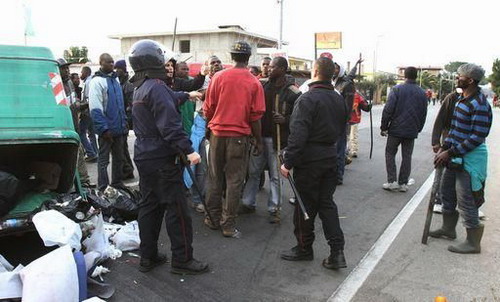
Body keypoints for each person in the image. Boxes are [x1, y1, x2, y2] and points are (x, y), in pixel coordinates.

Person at [128, 39, 208, 274]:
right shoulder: (157, 87)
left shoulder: (142, 87)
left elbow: (167, 101)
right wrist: (190, 151)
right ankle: (182, 259)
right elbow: (170, 127)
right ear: (154, 61)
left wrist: (187, 94)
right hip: (163, 158)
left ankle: (148, 256)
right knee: (178, 211)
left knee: (149, 207)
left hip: (145, 157)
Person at [279, 57, 348, 270]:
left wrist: (288, 162)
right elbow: (341, 129)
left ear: (315, 71)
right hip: (329, 156)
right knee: (326, 204)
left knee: (304, 205)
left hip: (310, 159)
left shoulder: (308, 98)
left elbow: (298, 134)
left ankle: (303, 247)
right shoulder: (338, 99)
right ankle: (337, 251)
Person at [203, 41, 265, 238]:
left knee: (214, 177)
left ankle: (212, 218)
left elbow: (208, 108)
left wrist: (210, 128)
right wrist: (258, 140)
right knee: (234, 181)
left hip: (217, 135)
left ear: (231, 57)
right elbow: (255, 117)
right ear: (248, 58)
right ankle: (228, 225)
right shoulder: (254, 81)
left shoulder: (218, 77)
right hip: (239, 138)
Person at [432, 64, 492, 254]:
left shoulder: (479, 104)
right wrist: (445, 146)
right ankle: (448, 229)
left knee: (466, 199)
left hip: (470, 158)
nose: (457, 78)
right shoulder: (461, 100)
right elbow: (456, 130)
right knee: (446, 192)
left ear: (470, 80)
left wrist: (450, 152)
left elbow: (477, 137)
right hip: (455, 154)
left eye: (460, 76)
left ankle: (473, 242)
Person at [240, 56, 301, 223]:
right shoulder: (262, 85)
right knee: (253, 172)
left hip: (278, 140)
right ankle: (247, 203)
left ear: (282, 69)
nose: (268, 69)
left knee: (275, 176)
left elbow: (300, 118)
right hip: (259, 137)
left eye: (272, 67)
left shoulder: (294, 92)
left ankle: (274, 208)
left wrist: (285, 119)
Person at [380, 66, 427, 192]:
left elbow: (388, 110)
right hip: (411, 130)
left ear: (404, 75)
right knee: (407, 156)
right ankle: (403, 183)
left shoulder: (397, 89)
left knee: (390, 153)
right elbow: (423, 113)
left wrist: (384, 127)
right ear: (416, 76)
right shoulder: (422, 93)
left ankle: (392, 181)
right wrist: (418, 128)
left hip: (395, 129)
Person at [88, 53, 128, 191]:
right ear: (101, 63)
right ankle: (103, 186)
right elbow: (95, 108)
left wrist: (124, 125)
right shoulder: (97, 82)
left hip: (119, 129)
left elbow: (120, 105)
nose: (112, 65)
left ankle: (117, 183)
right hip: (107, 131)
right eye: (109, 62)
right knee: (103, 160)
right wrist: (104, 129)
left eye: (113, 62)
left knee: (119, 158)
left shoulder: (115, 80)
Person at [57, 58, 92, 187]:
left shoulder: (70, 84)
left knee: (79, 154)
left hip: (74, 126)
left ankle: (84, 182)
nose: (67, 71)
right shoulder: (56, 86)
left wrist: (85, 105)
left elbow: (74, 104)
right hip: (65, 128)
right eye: (63, 68)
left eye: (67, 68)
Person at [430, 90, 460, 213]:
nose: (458, 79)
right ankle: (439, 199)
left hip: (466, 144)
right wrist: (436, 141)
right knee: (441, 169)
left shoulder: (478, 101)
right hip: (449, 137)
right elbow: (441, 119)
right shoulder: (452, 97)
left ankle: (472, 204)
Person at [333, 62, 355, 184]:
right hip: (331, 120)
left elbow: (348, 106)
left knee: (339, 150)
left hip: (340, 122)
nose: (334, 70)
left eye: (337, 68)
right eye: (333, 68)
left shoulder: (347, 84)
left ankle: (338, 175)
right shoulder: (332, 82)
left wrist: (342, 120)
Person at [114, 59, 135, 180]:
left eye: (118, 69)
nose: (116, 71)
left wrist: (126, 119)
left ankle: (127, 170)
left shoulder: (128, 84)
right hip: (121, 118)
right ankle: (127, 170)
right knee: (122, 147)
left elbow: (131, 104)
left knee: (122, 147)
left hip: (125, 119)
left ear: (124, 69)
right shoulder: (119, 82)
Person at [79, 66, 98, 162]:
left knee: (81, 132)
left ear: (86, 72)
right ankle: (95, 153)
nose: (80, 74)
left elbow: (88, 99)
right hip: (91, 111)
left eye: (81, 72)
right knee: (91, 133)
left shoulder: (88, 82)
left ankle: (91, 153)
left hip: (87, 112)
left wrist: (81, 107)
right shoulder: (90, 81)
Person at [348, 92, 371, 158]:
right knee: (352, 136)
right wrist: (367, 106)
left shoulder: (356, 95)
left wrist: (367, 106)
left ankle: (352, 150)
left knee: (351, 136)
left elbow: (364, 106)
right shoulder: (357, 94)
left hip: (352, 119)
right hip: (352, 119)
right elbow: (364, 105)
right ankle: (351, 150)